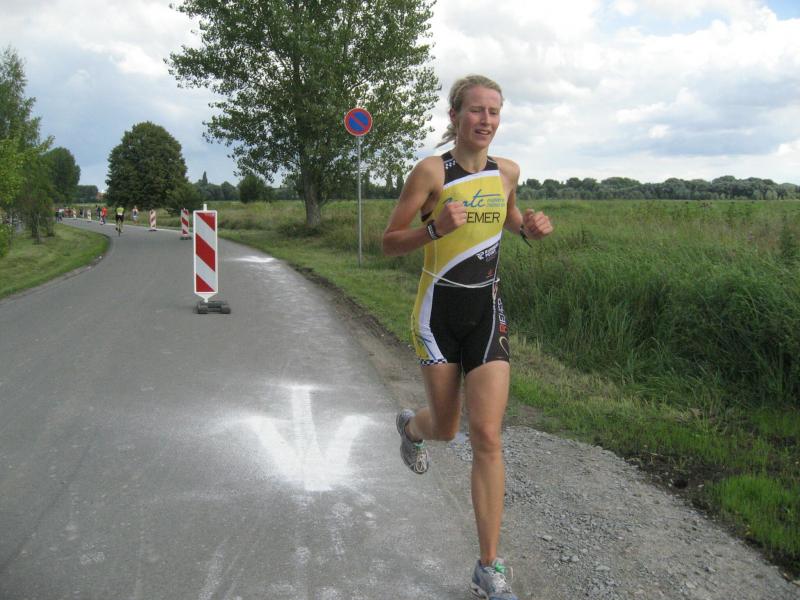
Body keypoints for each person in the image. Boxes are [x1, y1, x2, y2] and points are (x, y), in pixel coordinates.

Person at [382, 74, 553, 600]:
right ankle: (413, 427)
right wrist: (434, 229)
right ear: (455, 116)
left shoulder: (508, 172)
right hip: (437, 313)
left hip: (486, 311)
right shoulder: (432, 172)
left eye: (494, 112)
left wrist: (528, 228)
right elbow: (389, 241)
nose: (486, 120)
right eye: (476, 110)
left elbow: (510, 218)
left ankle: (487, 567)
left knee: (487, 436)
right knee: (446, 428)